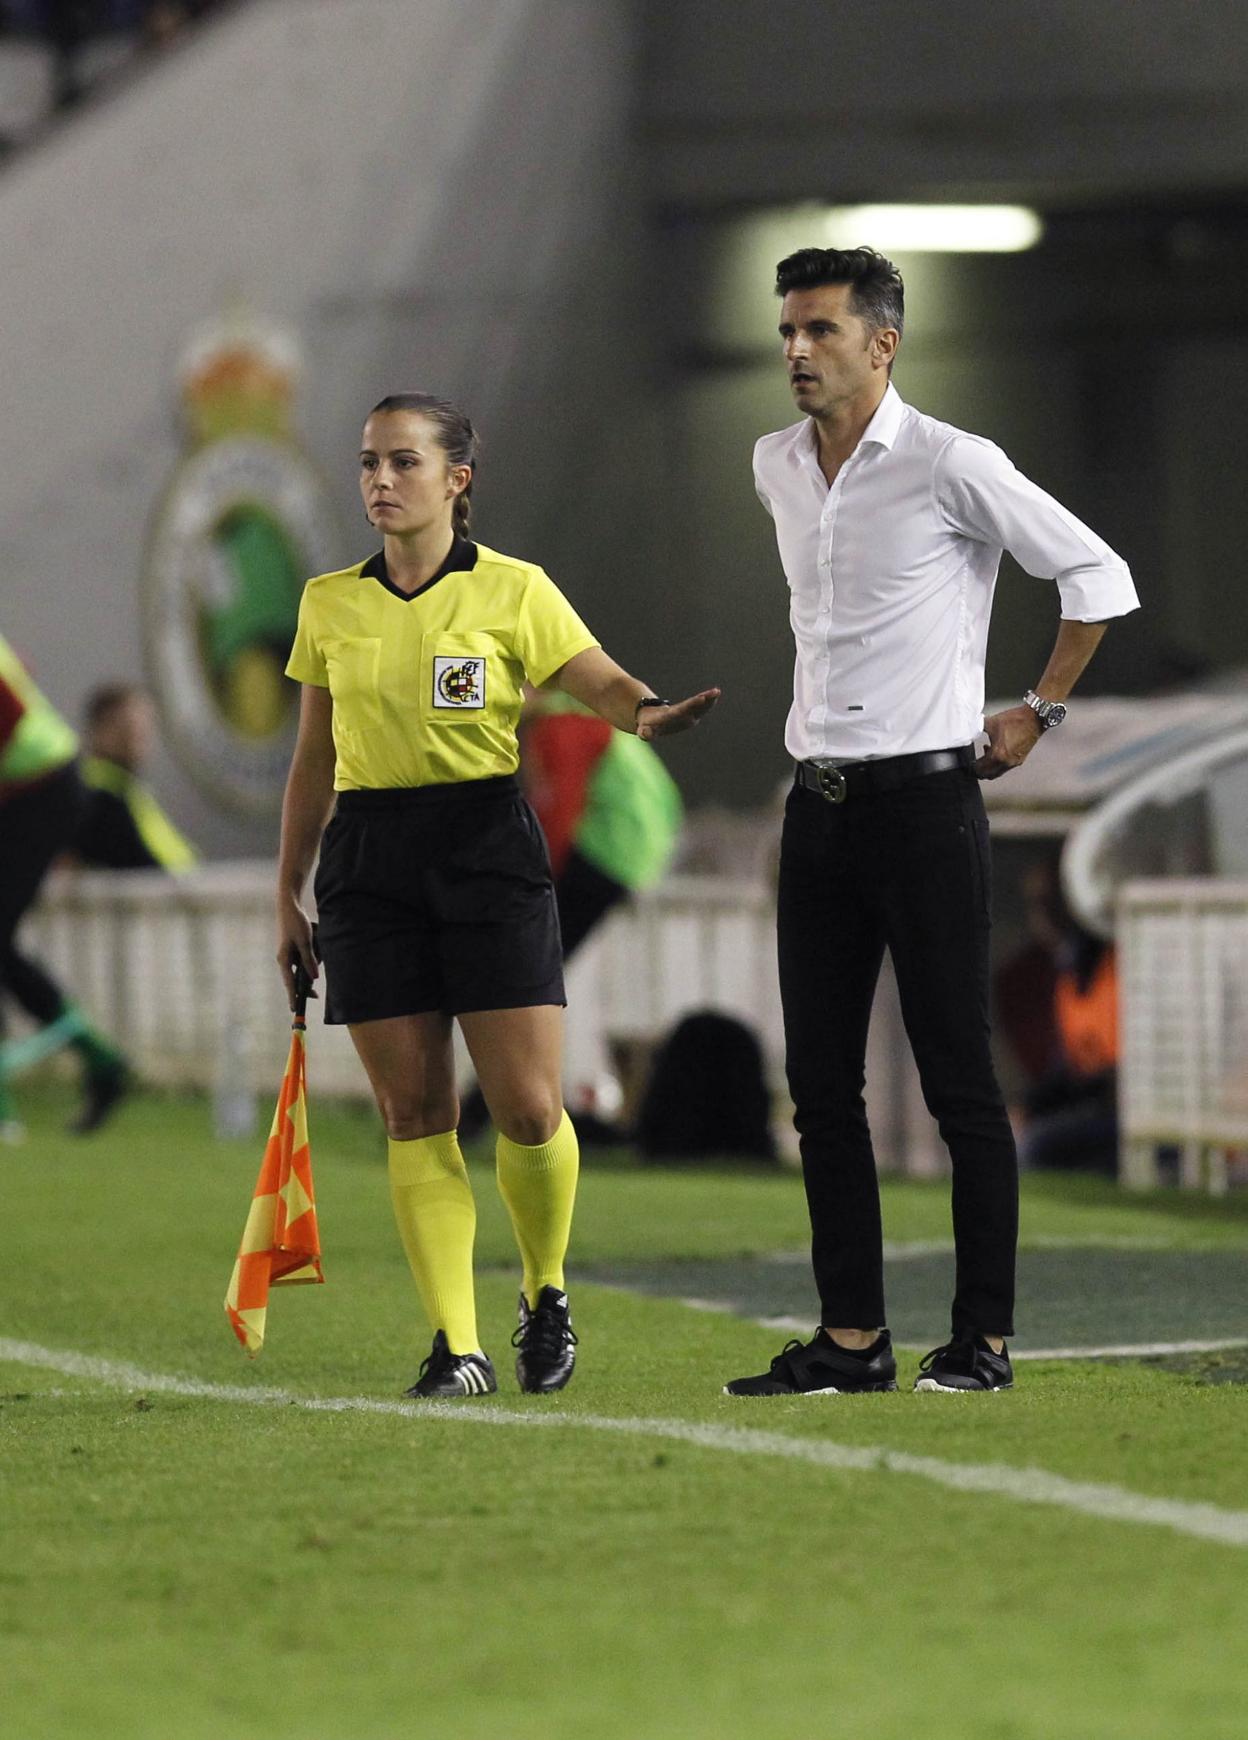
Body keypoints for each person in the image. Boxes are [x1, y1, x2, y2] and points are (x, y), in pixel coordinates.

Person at [725, 247, 1139, 1399]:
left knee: (961, 1084)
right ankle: (851, 1339)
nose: (797, 352)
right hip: (817, 808)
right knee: (819, 1089)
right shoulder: (775, 464)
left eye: (819, 331)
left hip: (926, 804)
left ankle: (985, 1341)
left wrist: (1039, 710)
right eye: (788, 333)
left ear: (883, 343)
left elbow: (1097, 576)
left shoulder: (954, 461)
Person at [276, 392, 718, 1400]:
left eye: (402, 463)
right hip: (368, 859)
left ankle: (545, 1290)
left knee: (525, 1107)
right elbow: (312, 760)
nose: (379, 482)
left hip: (485, 846)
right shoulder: (328, 604)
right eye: (367, 464)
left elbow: (596, 679)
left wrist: (647, 713)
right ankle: (455, 1345)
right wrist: (286, 896)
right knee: (416, 1112)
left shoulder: (515, 591)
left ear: (456, 480)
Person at [0, 636, 129, 1140]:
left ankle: (98, 1060)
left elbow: (8, 715)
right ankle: (100, 1060)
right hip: (34, 790)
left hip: (42, 791)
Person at [76, 683, 198, 872]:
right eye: (128, 726)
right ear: (100, 730)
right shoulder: (100, 795)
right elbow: (141, 864)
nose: (139, 735)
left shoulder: (128, 789)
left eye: (145, 726)